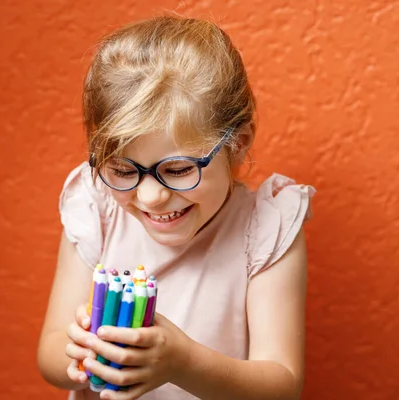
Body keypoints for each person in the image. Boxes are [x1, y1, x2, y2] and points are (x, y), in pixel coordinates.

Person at [37, 14, 315, 400]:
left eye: (180, 169)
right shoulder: (98, 209)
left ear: (239, 142)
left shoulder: (265, 230)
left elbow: (282, 386)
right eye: (121, 169)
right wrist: (83, 355)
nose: (151, 197)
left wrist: (183, 363)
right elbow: (50, 355)